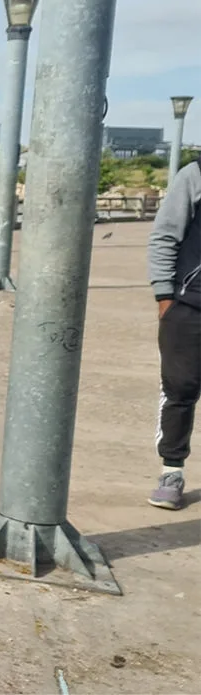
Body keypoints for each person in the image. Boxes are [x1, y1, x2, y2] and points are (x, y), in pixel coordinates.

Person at [146, 159, 201, 510]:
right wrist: (164, 293)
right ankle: (172, 470)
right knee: (180, 388)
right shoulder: (195, 175)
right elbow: (166, 234)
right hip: (190, 305)